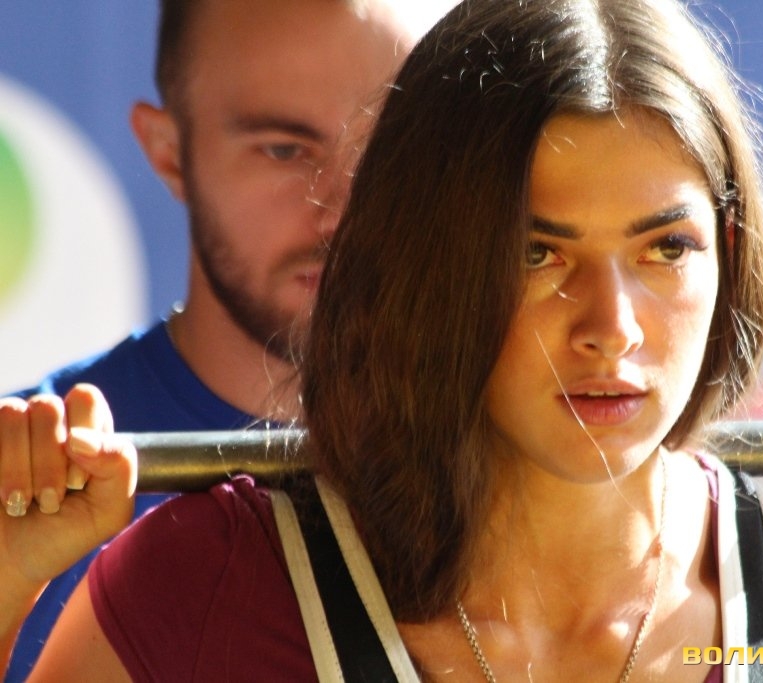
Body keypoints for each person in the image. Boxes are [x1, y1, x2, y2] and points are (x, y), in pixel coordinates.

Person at [4, 0, 763, 680]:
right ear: (423, 264)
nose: (611, 327)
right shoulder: (211, 582)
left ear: (727, 251)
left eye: (665, 248)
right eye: (536, 253)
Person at [3, 0, 425, 678]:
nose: (343, 209)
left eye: (388, 152)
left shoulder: (520, 460)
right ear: (169, 152)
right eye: (285, 149)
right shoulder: (21, 478)